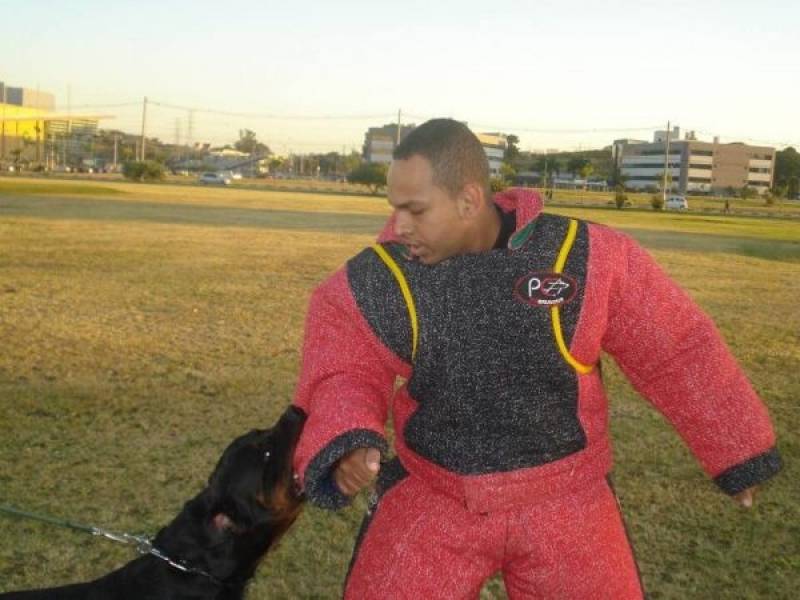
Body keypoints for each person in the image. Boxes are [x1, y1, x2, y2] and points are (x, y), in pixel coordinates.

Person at [291, 119, 781, 599]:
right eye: (395, 207)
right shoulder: (386, 274)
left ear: (468, 200)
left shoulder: (585, 256)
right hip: (436, 491)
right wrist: (346, 439)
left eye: (416, 210)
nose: (398, 226)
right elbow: (345, 364)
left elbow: (674, 345)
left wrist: (736, 447)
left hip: (568, 501)